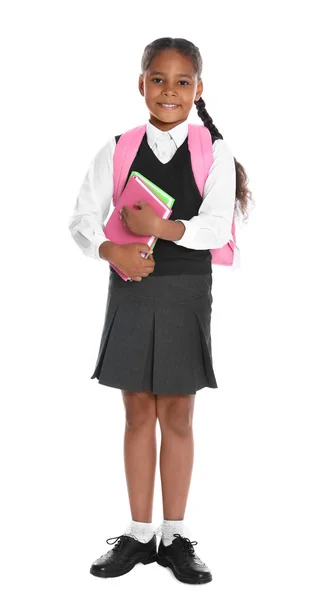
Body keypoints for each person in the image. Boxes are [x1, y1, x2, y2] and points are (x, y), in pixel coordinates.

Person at [68, 36, 253, 585]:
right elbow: (81, 220)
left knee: (177, 415)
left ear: (198, 89)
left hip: (185, 294)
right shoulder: (118, 148)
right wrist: (113, 248)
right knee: (136, 415)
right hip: (131, 287)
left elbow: (220, 227)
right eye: (157, 79)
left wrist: (162, 229)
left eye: (181, 81)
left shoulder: (213, 152)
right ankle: (139, 532)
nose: (168, 91)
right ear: (141, 83)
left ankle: (174, 536)